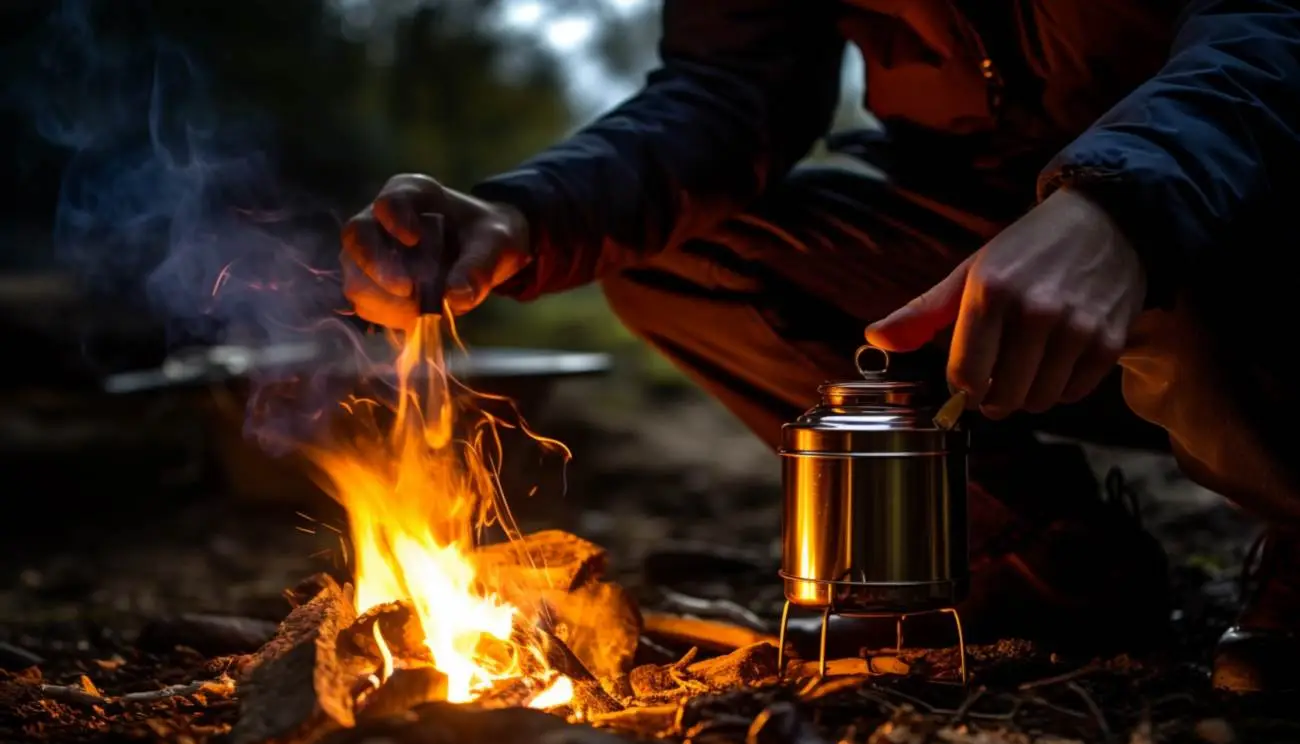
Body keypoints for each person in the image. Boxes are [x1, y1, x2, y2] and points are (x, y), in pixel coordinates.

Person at [340, 1, 1300, 692]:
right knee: (679, 257)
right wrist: (526, 213)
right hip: (986, 239)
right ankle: (1050, 568)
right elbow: (729, 89)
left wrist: (1119, 205)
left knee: (1208, 221)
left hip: (1240, 211)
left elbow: (1271, 30)